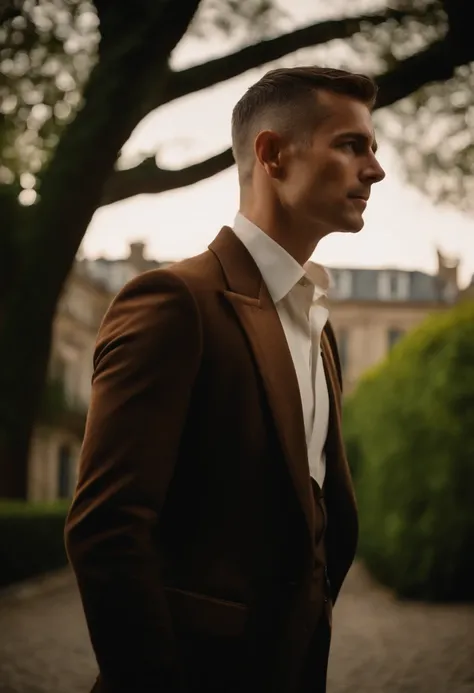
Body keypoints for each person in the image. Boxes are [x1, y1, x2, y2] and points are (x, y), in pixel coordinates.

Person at [65, 65, 385, 693]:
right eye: (352, 145)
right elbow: (107, 530)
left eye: (372, 149)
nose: (374, 170)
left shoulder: (318, 325)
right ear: (272, 154)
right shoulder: (173, 301)